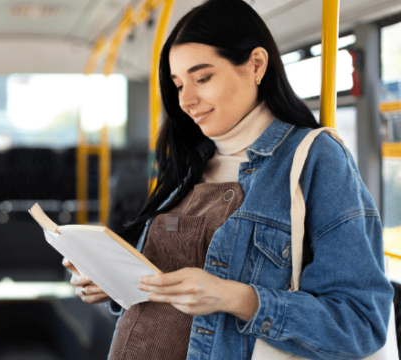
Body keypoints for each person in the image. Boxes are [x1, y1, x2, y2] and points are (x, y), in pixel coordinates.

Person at [63, 0, 394, 358]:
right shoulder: (188, 165)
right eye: (177, 85)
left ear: (255, 65)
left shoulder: (316, 159)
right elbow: (169, 294)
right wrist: (114, 282)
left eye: (202, 78)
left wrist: (236, 297)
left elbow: (361, 322)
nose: (186, 100)